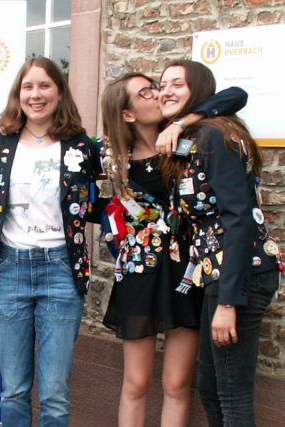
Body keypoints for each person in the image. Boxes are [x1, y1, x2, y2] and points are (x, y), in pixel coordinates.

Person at [100, 73, 248, 427]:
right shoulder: (110, 154)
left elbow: (236, 95)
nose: (158, 94)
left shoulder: (188, 140)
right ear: (127, 114)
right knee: (135, 383)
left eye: (156, 86)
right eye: (146, 92)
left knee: (177, 383)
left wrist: (183, 120)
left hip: (187, 273)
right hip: (138, 274)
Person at [158, 59, 282, 426]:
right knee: (212, 392)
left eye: (177, 84)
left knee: (231, 396)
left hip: (237, 276)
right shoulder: (197, 136)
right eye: (162, 84)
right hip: (217, 275)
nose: (166, 91)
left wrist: (229, 300)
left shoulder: (213, 134)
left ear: (197, 89)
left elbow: (239, 217)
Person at [0, 56, 101, 427]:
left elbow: (99, 203)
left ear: (59, 92)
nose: (36, 94)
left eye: (44, 85)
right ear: (18, 94)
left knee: (54, 394)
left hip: (61, 271)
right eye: (28, 87)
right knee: (13, 389)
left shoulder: (82, 146)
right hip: (9, 269)